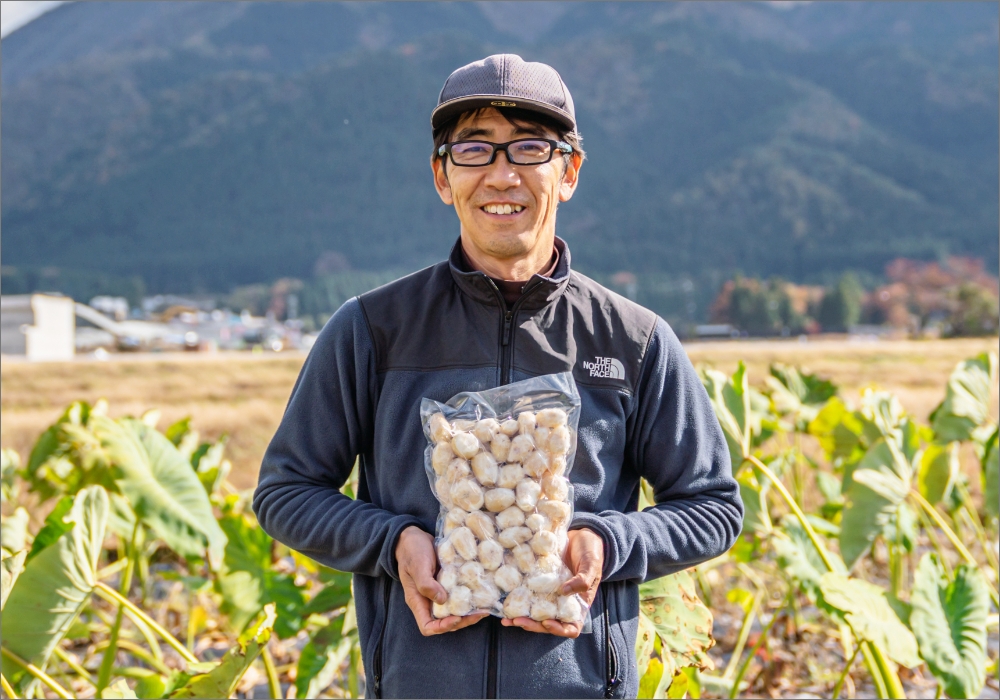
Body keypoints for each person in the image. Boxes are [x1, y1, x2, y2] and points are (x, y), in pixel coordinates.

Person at [253, 54, 743, 698]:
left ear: (568, 171)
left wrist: (607, 540)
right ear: (441, 176)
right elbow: (285, 492)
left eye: (530, 148)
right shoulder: (373, 329)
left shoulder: (632, 339)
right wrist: (393, 540)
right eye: (474, 150)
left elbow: (713, 508)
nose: (502, 174)